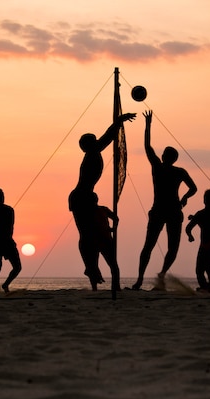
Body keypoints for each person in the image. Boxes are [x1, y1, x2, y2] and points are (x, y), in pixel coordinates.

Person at [69, 112, 136, 290]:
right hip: (80, 197)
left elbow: (108, 138)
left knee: (91, 235)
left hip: (85, 196)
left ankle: (94, 269)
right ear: (86, 146)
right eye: (91, 140)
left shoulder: (94, 151)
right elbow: (107, 137)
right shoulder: (92, 152)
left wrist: (118, 123)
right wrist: (118, 121)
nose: (95, 141)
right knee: (86, 235)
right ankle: (91, 267)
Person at [132, 111, 197, 290]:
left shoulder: (162, 168)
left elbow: (147, 146)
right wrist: (185, 198)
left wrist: (148, 125)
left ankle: (142, 279)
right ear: (173, 158)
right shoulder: (174, 171)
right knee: (166, 247)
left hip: (166, 210)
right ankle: (152, 276)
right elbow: (194, 188)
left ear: (164, 157)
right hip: (167, 210)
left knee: (151, 246)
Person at [186, 189, 210, 293]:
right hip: (204, 245)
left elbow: (208, 220)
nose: (207, 201)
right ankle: (205, 287)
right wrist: (190, 235)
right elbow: (188, 228)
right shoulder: (200, 214)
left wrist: (195, 218)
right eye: (206, 199)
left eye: (209, 199)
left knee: (208, 266)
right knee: (199, 270)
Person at [0, 188, 22, 293]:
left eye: (2, 197)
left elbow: (11, 226)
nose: (1, 199)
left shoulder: (8, 210)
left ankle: (5, 285)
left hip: (5, 242)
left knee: (17, 267)